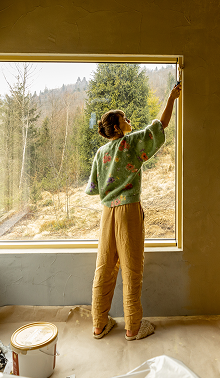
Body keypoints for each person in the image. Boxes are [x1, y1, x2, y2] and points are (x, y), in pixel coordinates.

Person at [84, 83, 182, 340]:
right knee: (131, 267)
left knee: (104, 266)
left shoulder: (99, 153)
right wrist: (171, 97)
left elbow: (93, 188)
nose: (129, 121)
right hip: (128, 211)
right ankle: (133, 328)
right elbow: (160, 126)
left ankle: (98, 324)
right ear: (117, 128)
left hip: (107, 213)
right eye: (125, 119)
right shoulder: (132, 143)